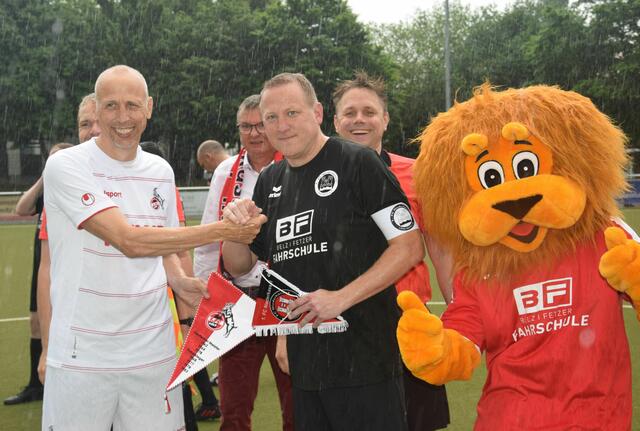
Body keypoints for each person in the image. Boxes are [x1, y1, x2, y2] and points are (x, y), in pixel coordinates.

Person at [40, 65, 265, 431]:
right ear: (95, 110)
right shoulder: (66, 165)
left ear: (149, 107)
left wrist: (178, 280)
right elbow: (129, 239)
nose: (123, 117)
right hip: (83, 355)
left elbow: (166, 248)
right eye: (111, 106)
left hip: (154, 352)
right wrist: (224, 230)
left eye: (132, 105)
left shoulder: (160, 170)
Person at [222, 73, 424, 431]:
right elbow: (239, 266)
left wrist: (339, 299)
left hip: (366, 361)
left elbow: (409, 247)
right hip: (305, 367)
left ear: (316, 112)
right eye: (272, 117)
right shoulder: (271, 181)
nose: (281, 126)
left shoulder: (358, 163)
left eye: (292, 113)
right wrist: (235, 228)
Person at [332, 71, 451, 430]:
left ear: (385, 119)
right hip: (342, 325)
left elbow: (441, 248)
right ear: (335, 121)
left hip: (408, 323)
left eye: (369, 111)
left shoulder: (418, 174)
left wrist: (460, 313)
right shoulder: (316, 176)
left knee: (416, 422)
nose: (359, 119)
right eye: (349, 112)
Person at [193, 94, 293, 431]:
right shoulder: (225, 171)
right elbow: (209, 237)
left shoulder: (296, 164)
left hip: (287, 301)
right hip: (237, 301)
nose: (254, 133)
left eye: (261, 125)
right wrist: (206, 292)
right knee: (233, 410)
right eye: (246, 126)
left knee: (298, 406)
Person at [140, 141, 221, 426]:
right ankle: (208, 401)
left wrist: (186, 315)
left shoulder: (162, 190)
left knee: (178, 374)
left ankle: (205, 404)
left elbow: (180, 249)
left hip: (165, 302)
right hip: (145, 306)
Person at [36, 93, 101, 386]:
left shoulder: (149, 174)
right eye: (85, 123)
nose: (93, 130)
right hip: (77, 337)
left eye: (98, 121)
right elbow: (47, 268)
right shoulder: (62, 180)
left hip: (137, 336)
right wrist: (47, 348)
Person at [3, 142, 72, 406]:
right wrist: (43, 179)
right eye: (51, 159)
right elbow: (21, 209)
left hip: (65, 266)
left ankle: (65, 381)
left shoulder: (75, 187)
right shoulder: (47, 189)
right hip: (42, 264)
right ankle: (36, 384)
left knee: (66, 323)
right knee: (36, 321)